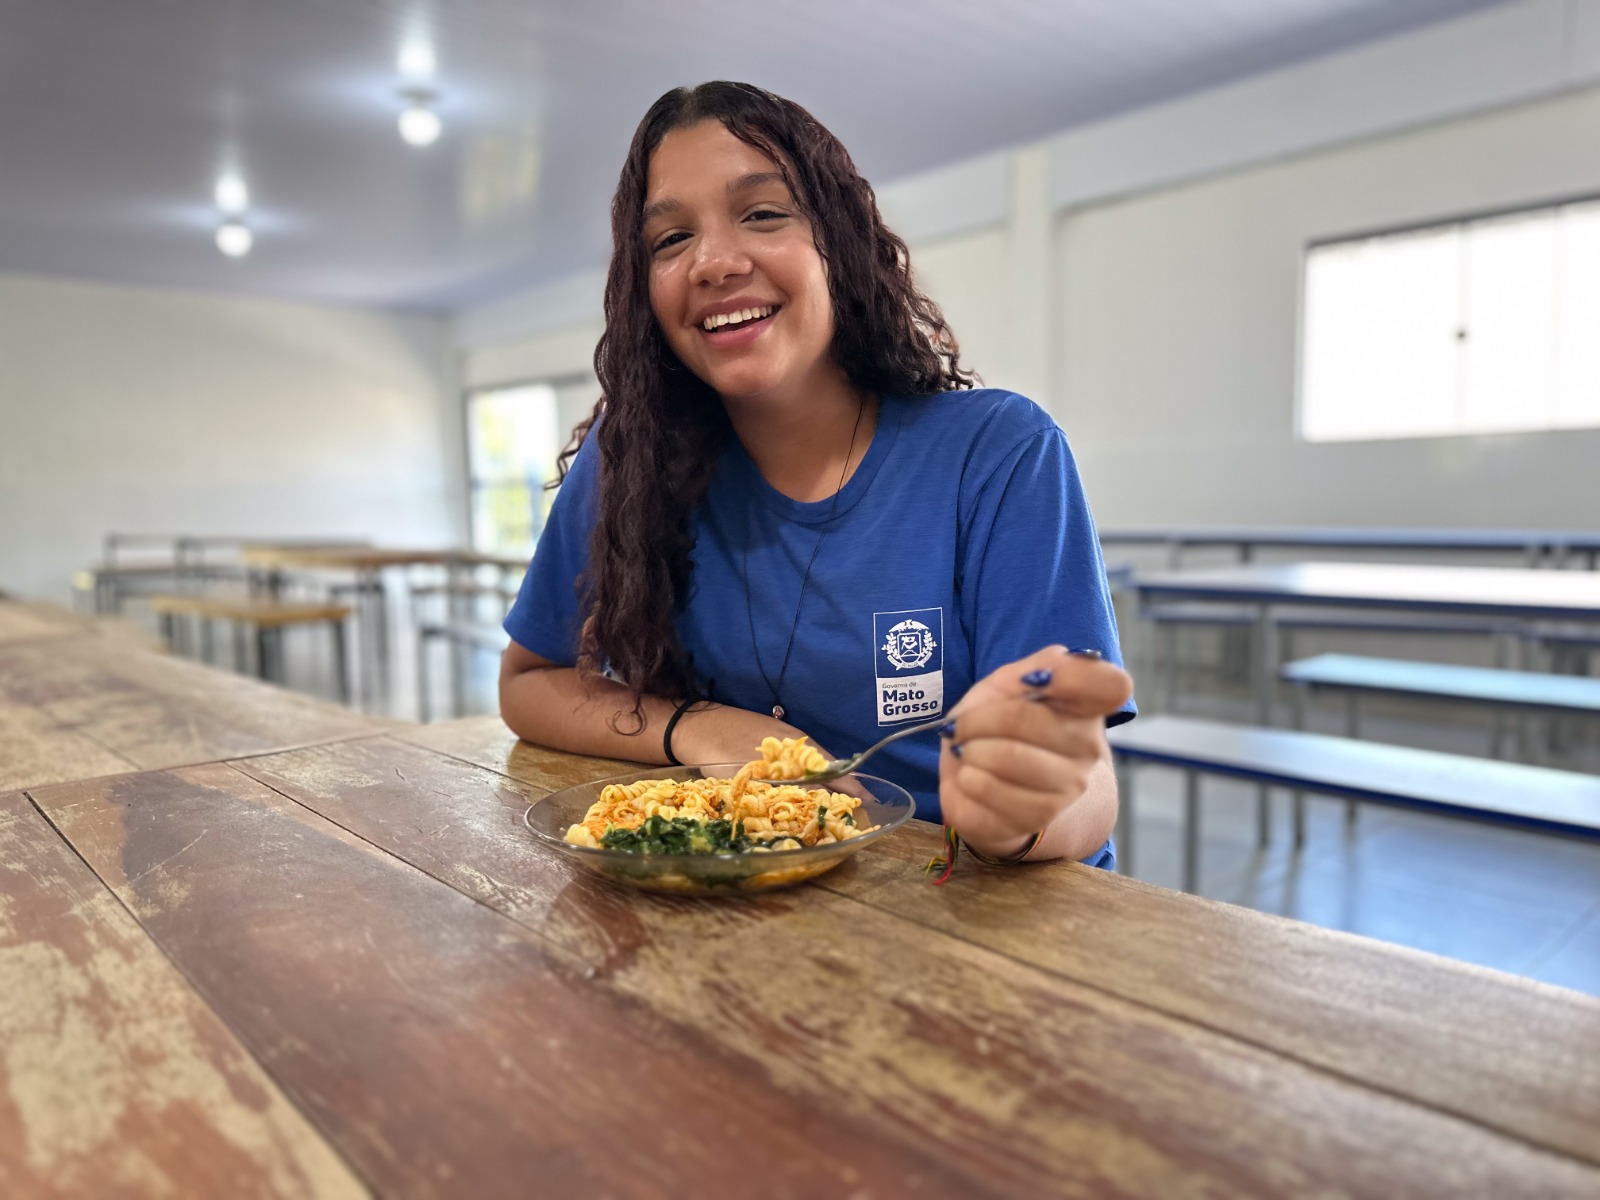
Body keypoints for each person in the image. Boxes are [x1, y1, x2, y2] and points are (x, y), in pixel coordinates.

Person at [500, 81, 1135, 870]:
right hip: (748, 915)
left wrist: (1014, 810)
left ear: (838, 240)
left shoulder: (998, 453)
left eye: (764, 213)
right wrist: (698, 727)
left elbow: (1084, 785)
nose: (715, 262)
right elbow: (530, 681)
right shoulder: (629, 458)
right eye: (669, 239)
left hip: (974, 910)